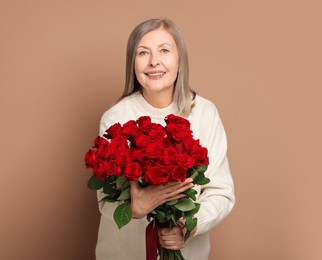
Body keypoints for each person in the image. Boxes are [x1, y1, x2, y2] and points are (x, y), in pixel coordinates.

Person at [95, 18, 235, 260]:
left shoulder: (204, 113)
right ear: (132, 62)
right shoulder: (115, 118)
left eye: (164, 51)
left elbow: (221, 192)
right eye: (143, 53)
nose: (153, 62)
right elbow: (105, 201)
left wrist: (188, 225)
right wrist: (133, 209)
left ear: (179, 60)